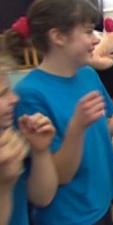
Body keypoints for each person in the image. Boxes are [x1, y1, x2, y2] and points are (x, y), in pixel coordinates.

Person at [5, 1, 113, 224]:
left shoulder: (88, 75)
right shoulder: (29, 94)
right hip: (68, 216)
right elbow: (52, 178)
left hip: (99, 204)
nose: (96, 39)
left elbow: (104, 125)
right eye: (88, 32)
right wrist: (76, 128)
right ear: (58, 36)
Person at [0, 43, 58, 225]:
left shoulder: (8, 138)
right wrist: (4, 186)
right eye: (2, 94)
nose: (15, 98)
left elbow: (42, 198)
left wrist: (41, 151)